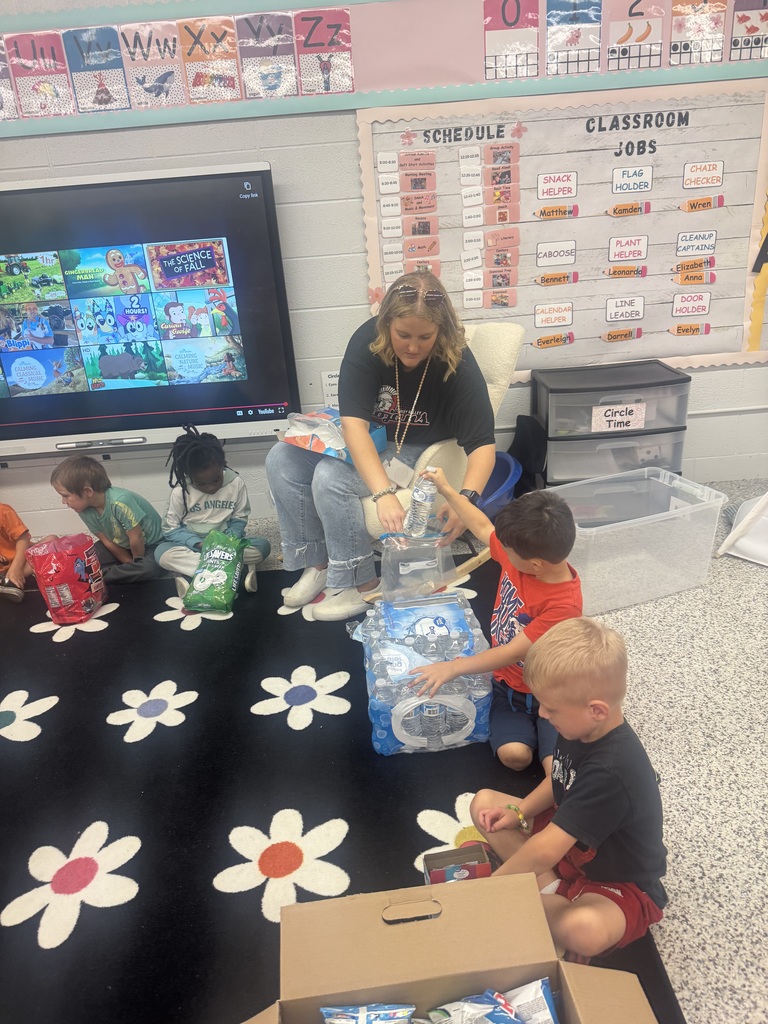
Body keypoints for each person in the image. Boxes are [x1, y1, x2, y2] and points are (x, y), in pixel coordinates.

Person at [265, 272, 497, 621]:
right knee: (281, 457)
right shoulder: (366, 341)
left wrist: (467, 500)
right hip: (373, 434)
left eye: (425, 337)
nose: (413, 347)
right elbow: (354, 425)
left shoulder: (457, 360)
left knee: (331, 477)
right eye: (403, 335)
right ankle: (320, 565)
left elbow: (483, 444)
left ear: (442, 331)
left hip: (421, 445)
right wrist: (383, 493)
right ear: (385, 324)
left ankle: (363, 585)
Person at [470, 618, 667, 960]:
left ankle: (537, 897)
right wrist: (517, 812)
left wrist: (490, 891)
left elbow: (547, 849)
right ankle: (550, 893)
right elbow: (557, 778)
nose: (543, 715)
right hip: (570, 853)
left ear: (596, 710)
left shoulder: (612, 768)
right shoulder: (581, 726)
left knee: (583, 931)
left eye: (551, 708)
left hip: (616, 881)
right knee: (484, 803)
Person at [409, 471, 581, 776]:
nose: (499, 551)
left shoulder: (564, 605)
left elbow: (512, 652)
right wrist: (448, 490)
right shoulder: (528, 559)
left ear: (536, 565)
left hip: (554, 693)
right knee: (514, 756)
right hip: (509, 688)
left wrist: (453, 667)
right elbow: (481, 526)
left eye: (506, 552)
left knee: (554, 769)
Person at [155, 426, 270, 597]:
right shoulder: (180, 491)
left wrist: (228, 540)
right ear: (188, 475)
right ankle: (230, 572)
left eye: (217, 479)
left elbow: (239, 518)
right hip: (195, 547)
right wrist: (198, 544)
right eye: (201, 484)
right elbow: (170, 528)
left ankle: (200, 575)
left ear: (223, 465)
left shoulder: (235, 482)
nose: (211, 487)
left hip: (226, 545)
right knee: (162, 554)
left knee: (262, 547)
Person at [50, 456, 164, 583]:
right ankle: (111, 575)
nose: (63, 502)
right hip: (121, 545)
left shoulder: (120, 502)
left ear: (87, 491)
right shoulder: (83, 509)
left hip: (150, 546)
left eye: (65, 496)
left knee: (151, 568)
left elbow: (137, 538)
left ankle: (99, 577)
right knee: (82, 562)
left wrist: (136, 564)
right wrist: (129, 564)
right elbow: (107, 542)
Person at [0, 502, 34, 602]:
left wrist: (16, 568)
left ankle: (11, 580)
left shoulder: (3, 511)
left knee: (52, 540)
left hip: (20, 561)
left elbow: (23, 538)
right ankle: (8, 582)